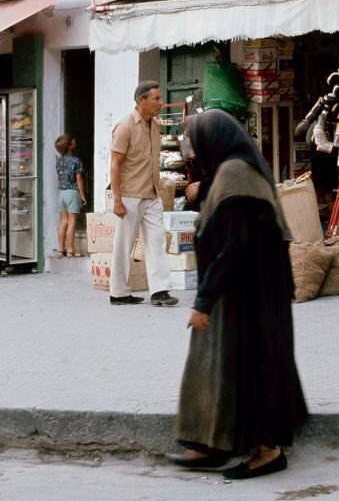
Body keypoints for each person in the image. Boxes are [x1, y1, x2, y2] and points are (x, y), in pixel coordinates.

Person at [172, 109, 307, 479]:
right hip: (243, 292)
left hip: (248, 295)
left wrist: (202, 301)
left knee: (252, 370)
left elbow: (232, 244)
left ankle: (267, 452)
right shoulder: (234, 169)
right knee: (220, 365)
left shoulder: (235, 174)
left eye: (197, 142)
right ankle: (210, 442)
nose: (194, 151)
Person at [109, 81, 178, 307]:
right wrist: (117, 200)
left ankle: (160, 290)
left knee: (156, 241)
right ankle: (118, 292)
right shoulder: (125, 126)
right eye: (156, 99)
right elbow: (115, 165)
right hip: (129, 194)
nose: (161, 102)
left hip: (151, 192)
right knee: (124, 244)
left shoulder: (154, 125)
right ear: (141, 101)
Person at [55, 134, 86, 257]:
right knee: (72, 221)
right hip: (72, 193)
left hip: (61, 193)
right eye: (73, 140)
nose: (75, 141)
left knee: (63, 221)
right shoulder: (76, 160)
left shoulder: (59, 161)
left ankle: (60, 249)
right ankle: (70, 249)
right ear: (70, 145)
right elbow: (79, 180)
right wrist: (82, 195)